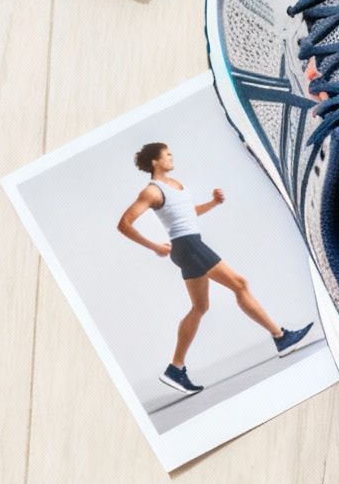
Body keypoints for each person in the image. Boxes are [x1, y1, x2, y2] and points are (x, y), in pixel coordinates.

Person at [116, 141, 313, 394]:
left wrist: (212, 203)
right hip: (188, 245)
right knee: (240, 284)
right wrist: (154, 245)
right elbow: (124, 223)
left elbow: (188, 214)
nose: (172, 157)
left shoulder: (174, 185)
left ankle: (175, 369)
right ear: (155, 161)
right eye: (167, 154)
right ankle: (281, 338)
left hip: (189, 245)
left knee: (200, 307)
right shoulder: (152, 192)